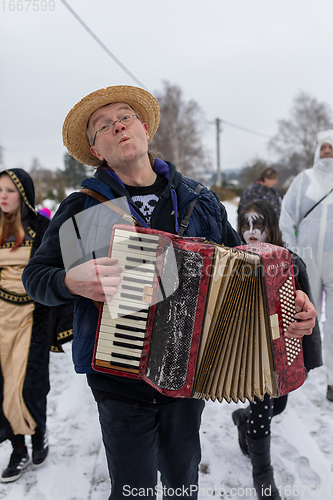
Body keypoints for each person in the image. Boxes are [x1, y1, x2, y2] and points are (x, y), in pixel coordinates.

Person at [22, 85, 317, 499]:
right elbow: (36, 277)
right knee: (133, 490)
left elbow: (251, 273)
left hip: (190, 374)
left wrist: (293, 308)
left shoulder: (200, 201)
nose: (117, 126)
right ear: (97, 151)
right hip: (118, 378)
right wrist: (70, 281)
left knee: (183, 482)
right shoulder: (83, 208)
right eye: (103, 126)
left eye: (125, 117)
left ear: (144, 129)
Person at [233, 199, 322, 500]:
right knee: (263, 406)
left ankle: (243, 419)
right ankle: (263, 474)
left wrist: (308, 358)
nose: (251, 231)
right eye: (245, 225)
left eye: (258, 225)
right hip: (250, 353)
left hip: (283, 352)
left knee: (278, 405)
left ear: (271, 226)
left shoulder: (291, 261)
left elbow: (307, 311)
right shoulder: (233, 262)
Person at [0, 169, 51, 482]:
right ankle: (18, 450)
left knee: (30, 386)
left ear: (24, 194)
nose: (2, 196)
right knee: (5, 388)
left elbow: (56, 272)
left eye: (9, 190)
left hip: (33, 318)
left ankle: (38, 434)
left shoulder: (42, 227)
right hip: (1, 319)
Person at [279, 129, 333, 403]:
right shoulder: (305, 180)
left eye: (331, 148)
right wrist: (292, 253)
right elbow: (287, 217)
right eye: (323, 147)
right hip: (309, 258)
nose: (327, 152)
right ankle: (302, 366)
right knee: (306, 314)